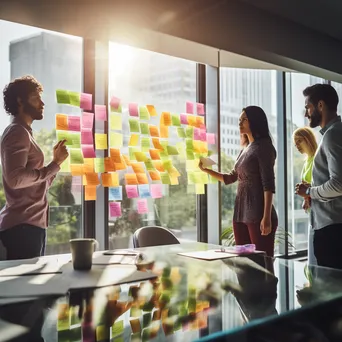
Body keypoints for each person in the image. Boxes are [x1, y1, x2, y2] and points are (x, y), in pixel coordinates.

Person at [0, 75, 68, 260]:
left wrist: (57, 163)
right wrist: (53, 165)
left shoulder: (25, 133)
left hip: (31, 226)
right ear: (20, 101)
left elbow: (37, 186)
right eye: (36, 97)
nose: (42, 103)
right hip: (22, 229)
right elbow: (15, 179)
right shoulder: (17, 132)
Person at [199, 106, 278, 257]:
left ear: (255, 121)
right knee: (244, 263)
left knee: (263, 262)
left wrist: (266, 217)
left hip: (258, 214)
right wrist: (206, 170)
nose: (239, 123)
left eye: (244, 119)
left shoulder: (264, 148)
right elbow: (230, 178)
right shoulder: (246, 149)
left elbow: (268, 185)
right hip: (240, 214)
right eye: (239, 120)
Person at [295, 84, 342, 269]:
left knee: (331, 293)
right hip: (333, 227)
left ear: (320, 105)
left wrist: (310, 191)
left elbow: (338, 184)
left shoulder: (332, 136)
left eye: (308, 106)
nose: (306, 113)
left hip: (332, 231)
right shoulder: (334, 134)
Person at [293, 127, 318, 265]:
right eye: (295, 143)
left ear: (308, 140)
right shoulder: (306, 161)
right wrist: (305, 198)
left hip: (320, 211)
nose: (297, 145)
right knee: (312, 254)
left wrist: (308, 193)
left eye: (299, 141)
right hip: (311, 211)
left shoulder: (317, 159)